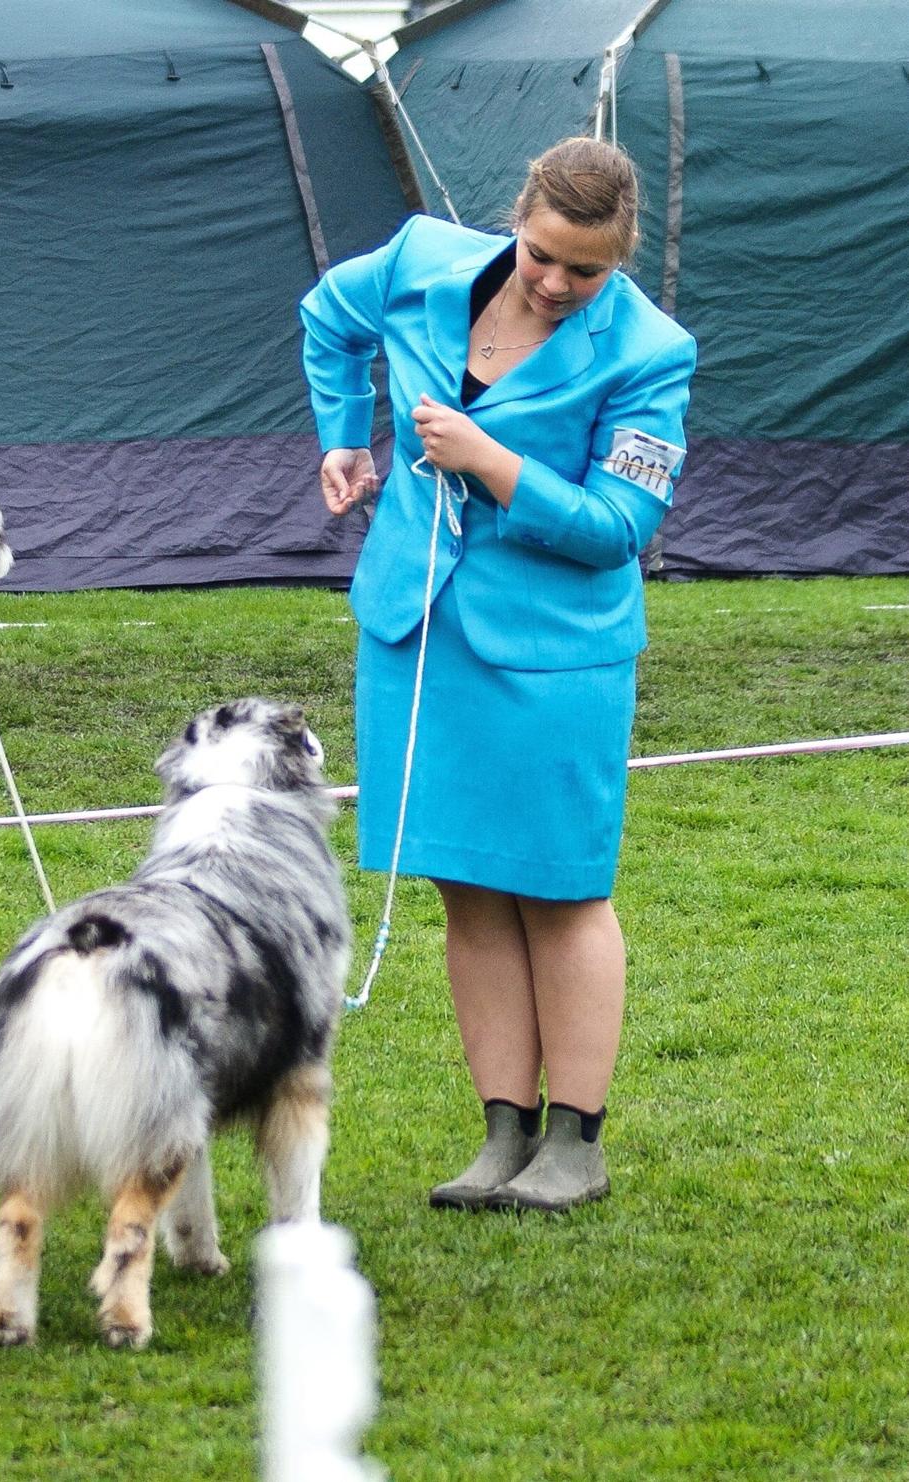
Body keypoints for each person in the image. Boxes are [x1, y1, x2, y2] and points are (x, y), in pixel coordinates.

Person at [299, 137, 697, 1213]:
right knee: (466, 887)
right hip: (416, 629)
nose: (557, 283)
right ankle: (501, 1133)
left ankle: (576, 1143)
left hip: (556, 654)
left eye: (586, 270)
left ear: (621, 256)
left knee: (563, 892)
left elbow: (620, 526)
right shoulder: (418, 258)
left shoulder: (651, 354)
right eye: (542, 256)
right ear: (515, 219)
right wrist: (344, 436)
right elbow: (328, 317)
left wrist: (494, 463)